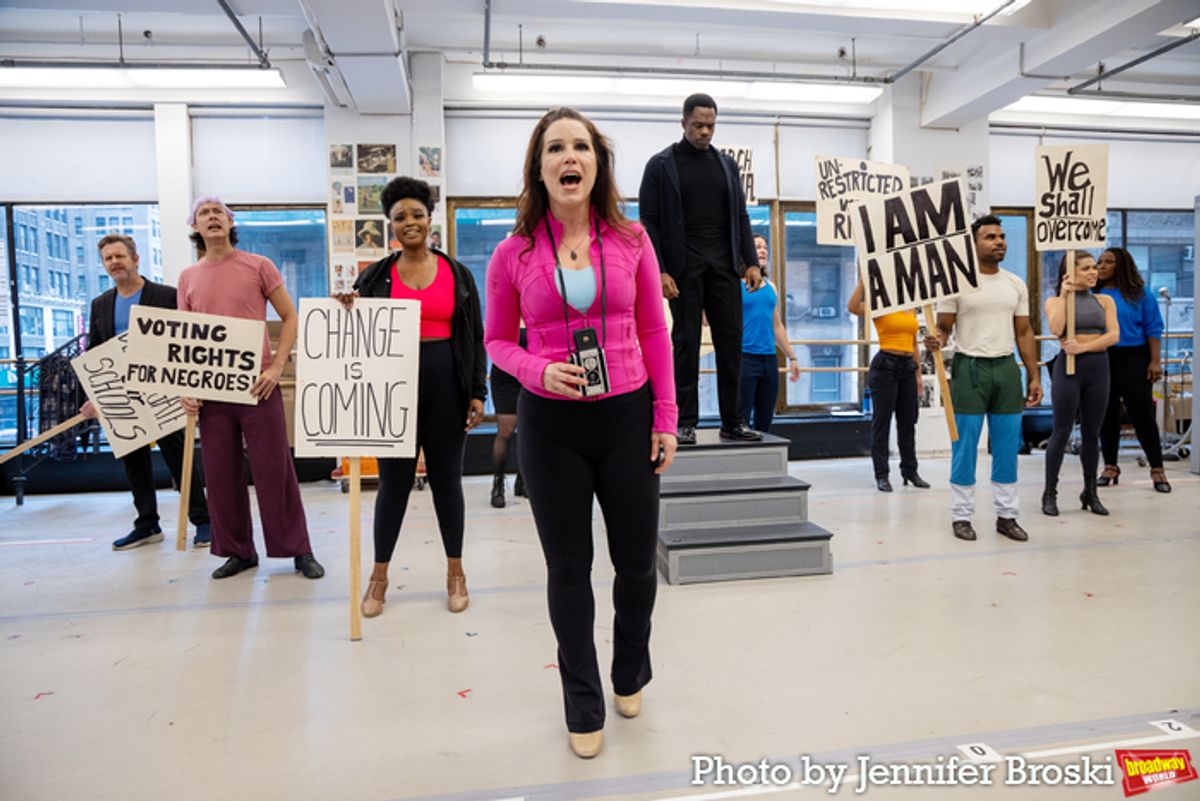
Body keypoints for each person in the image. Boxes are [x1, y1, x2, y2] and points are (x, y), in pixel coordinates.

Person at [485, 107, 678, 759]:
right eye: (555, 148)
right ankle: (582, 698)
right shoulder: (512, 252)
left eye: (581, 147)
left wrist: (667, 418)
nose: (570, 157)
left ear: (598, 163)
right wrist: (535, 367)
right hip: (551, 426)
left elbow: (656, 330)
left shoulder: (633, 241)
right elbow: (494, 341)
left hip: (628, 416)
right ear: (539, 170)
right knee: (569, 568)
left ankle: (630, 667)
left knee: (636, 567)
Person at [343, 176, 486, 616]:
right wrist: (343, 308)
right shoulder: (374, 277)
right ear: (390, 225)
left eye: (417, 215)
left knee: (447, 482)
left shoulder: (458, 275)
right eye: (400, 217)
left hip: (447, 386)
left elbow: (475, 338)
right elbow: (354, 338)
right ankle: (379, 576)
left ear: (430, 220)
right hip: (393, 390)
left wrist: (477, 393)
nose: (410, 222)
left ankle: (456, 572)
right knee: (394, 485)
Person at [177, 197, 325, 580]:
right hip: (212, 391)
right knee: (221, 475)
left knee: (274, 469)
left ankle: (298, 548)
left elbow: (290, 316)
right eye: (203, 213)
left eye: (217, 212)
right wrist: (186, 386)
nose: (211, 217)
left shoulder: (259, 266)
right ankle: (238, 551)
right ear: (194, 226)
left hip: (258, 386)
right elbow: (186, 339)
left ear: (230, 222)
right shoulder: (188, 278)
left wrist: (277, 367)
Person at [639, 93, 761, 445]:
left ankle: (733, 421)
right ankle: (684, 422)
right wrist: (659, 270)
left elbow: (741, 214)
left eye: (710, 126)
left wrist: (751, 261)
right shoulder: (661, 165)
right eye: (698, 125)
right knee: (686, 342)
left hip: (724, 264)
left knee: (731, 342)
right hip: (683, 265)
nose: (705, 132)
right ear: (683, 122)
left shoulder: (726, 165)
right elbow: (648, 223)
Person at [82, 233, 212, 550]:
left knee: (179, 456)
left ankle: (203, 520)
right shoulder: (101, 304)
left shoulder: (166, 295)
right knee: (133, 461)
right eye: (108, 259)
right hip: (120, 394)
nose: (114, 262)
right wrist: (93, 396)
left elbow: (186, 341)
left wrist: (190, 385)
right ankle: (147, 524)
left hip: (163, 389)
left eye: (119, 256)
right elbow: (94, 350)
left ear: (136, 259)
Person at [926, 215, 1043, 543]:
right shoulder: (956, 284)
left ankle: (1007, 516)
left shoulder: (1015, 284)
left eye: (1002, 236)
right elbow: (944, 327)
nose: (999, 241)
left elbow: (1024, 332)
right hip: (970, 369)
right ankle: (961, 516)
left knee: (1007, 445)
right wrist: (935, 338)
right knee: (964, 445)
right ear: (973, 243)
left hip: (1006, 369)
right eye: (990, 236)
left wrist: (1034, 375)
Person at [1041, 252, 1119, 516]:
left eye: (1093, 267)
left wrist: (1083, 347)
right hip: (1069, 370)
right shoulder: (1054, 301)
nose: (1093, 272)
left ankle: (1090, 491)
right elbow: (1056, 327)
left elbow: (1113, 335)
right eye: (1086, 268)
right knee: (1061, 431)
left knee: (1091, 433)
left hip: (1098, 369)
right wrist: (1064, 295)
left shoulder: (1105, 300)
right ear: (1070, 273)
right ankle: (1050, 492)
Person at [1094, 247, 1170, 493]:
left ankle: (1157, 469)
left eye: (1108, 262)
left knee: (1142, 414)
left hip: (1134, 356)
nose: (1101, 266)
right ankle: (1110, 466)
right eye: (1100, 262)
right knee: (1106, 415)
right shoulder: (1092, 293)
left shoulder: (1140, 294)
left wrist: (1155, 361)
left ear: (1121, 266)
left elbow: (1153, 327)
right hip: (1102, 356)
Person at [848, 282, 929, 492]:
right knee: (882, 422)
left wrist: (918, 374)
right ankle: (882, 474)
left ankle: (910, 471)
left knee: (908, 422)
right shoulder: (880, 305)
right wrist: (863, 283)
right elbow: (853, 307)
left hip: (907, 367)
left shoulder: (909, 306)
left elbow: (913, 344)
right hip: (885, 365)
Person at [739, 235, 799, 433]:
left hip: (769, 359)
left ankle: (763, 463)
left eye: (765, 247)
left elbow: (776, 324)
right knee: (741, 420)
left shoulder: (770, 287)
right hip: (744, 358)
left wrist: (792, 357)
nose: (763, 251)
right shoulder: (736, 285)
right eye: (757, 247)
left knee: (765, 420)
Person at [488, 328, 526, 508]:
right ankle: (498, 483)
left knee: (530, 430)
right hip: (505, 376)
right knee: (506, 431)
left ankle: (524, 480)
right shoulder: (502, 311)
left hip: (531, 372)